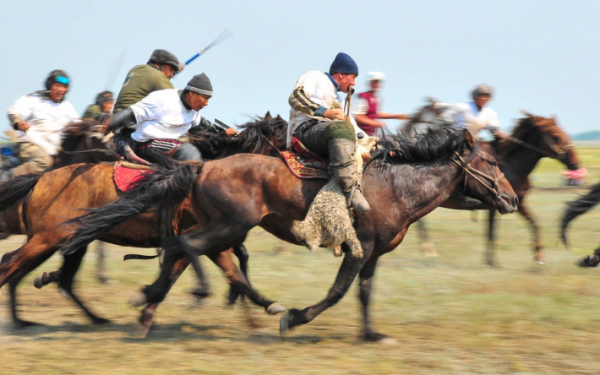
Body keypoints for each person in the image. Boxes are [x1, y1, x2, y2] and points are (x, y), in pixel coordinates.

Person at [287, 52, 370, 211]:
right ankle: (350, 189)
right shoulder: (315, 77)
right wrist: (324, 112)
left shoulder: (338, 98)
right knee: (341, 127)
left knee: (353, 134)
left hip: (328, 134)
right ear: (341, 75)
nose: (354, 83)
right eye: (353, 78)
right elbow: (296, 98)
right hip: (305, 131)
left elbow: (353, 127)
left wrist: (370, 142)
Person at [108, 73, 215, 163]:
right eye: (205, 98)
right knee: (187, 151)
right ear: (192, 93)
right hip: (145, 144)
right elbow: (131, 114)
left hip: (165, 145)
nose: (207, 103)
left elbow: (202, 127)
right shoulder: (162, 99)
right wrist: (106, 125)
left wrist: (224, 135)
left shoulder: (194, 112)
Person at [4, 70, 79, 179]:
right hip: (29, 145)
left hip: (53, 151)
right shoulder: (34, 99)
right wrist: (18, 122)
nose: (60, 90)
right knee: (44, 162)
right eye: (57, 85)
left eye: (63, 87)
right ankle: (7, 179)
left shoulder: (67, 107)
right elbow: (14, 111)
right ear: (49, 85)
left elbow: (78, 124)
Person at [353, 72, 410, 137]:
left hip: (372, 133)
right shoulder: (363, 97)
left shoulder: (377, 99)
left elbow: (377, 113)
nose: (376, 84)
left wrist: (398, 116)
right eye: (374, 82)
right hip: (361, 133)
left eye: (378, 82)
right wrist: (375, 123)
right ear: (370, 83)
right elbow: (358, 117)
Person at [441, 84, 506, 139]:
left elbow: (494, 131)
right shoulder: (461, 107)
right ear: (474, 97)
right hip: (451, 140)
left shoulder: (490, 114)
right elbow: (442, 121)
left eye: (486, 96)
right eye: (480, 96)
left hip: (471, 143)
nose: (483, 99)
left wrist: (501, 135)